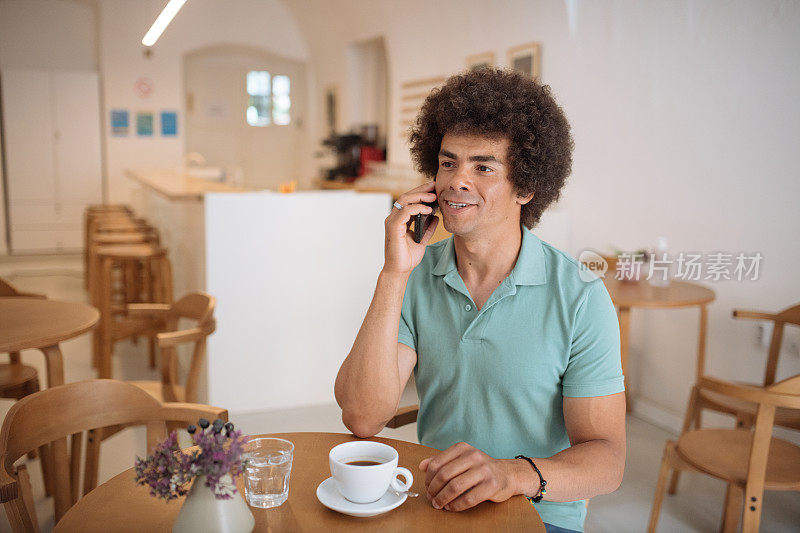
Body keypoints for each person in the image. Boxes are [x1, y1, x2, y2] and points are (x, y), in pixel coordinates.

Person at [334, 68, 625, 533]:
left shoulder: (580, 296)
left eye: (483, 167)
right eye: (448, 163)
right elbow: (364, 417)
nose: (456, 182)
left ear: (526, 187)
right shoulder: (416, 276)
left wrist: (509, 474)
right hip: (435, 509)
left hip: (539, 517)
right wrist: (394, 273)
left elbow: (607, 460)